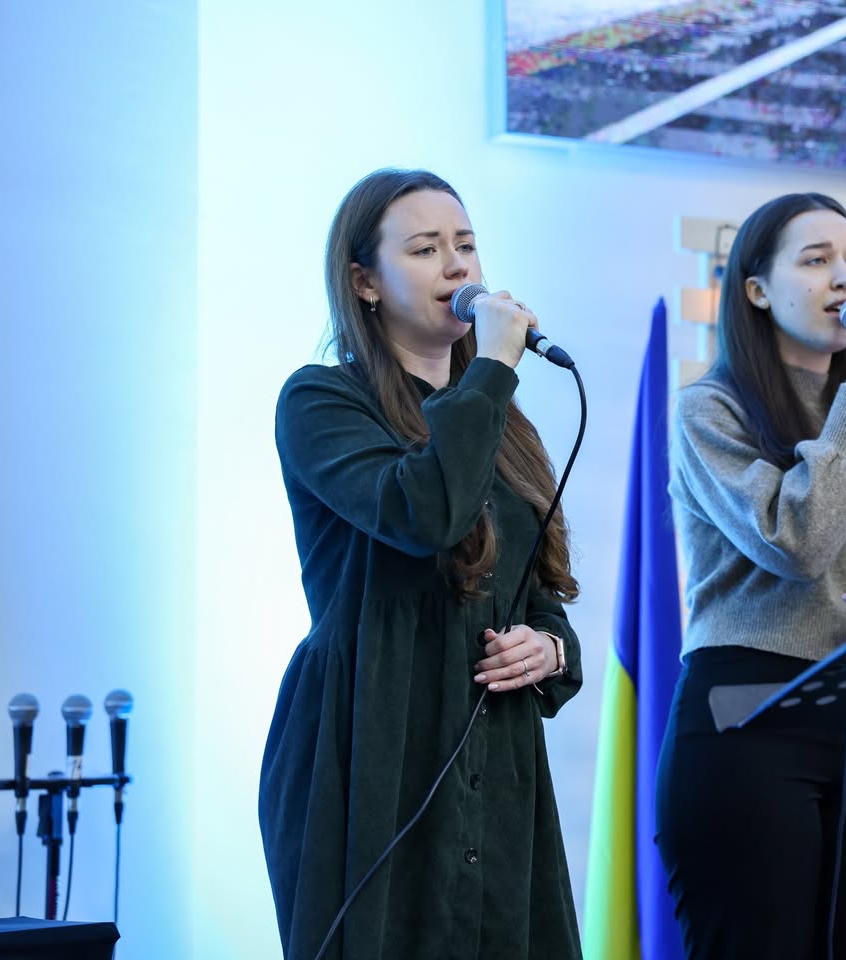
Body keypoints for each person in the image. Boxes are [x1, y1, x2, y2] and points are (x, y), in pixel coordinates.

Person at [258, 168, 583, 960]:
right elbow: (422, 515)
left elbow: (534, 587)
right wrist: (494, 370)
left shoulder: (505, 423)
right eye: (426, 249)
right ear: (364, 282)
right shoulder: (321, 401)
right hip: (365, 738)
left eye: (466, 245)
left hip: (493, 745)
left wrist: (550, 647)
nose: (457, 268)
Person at [655, 192, 846, 958]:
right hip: (749, 716)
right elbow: (796, 542)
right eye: (816, 259)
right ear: (755, 289)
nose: (844, 278)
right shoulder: (709, 410)